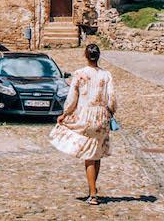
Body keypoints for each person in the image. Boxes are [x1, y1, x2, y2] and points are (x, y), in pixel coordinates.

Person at [49, 43, 117, 205]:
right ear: (98, 56)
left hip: (85, 116)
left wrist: (65, 114)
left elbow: (72, 98)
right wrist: (111, 112)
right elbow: (112, 98)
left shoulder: (79, 74)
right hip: (102, 116)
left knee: (89, 155)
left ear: (85, 56)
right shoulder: (106, 75)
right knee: (97, 152)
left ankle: (93, 194)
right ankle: (92, 188)